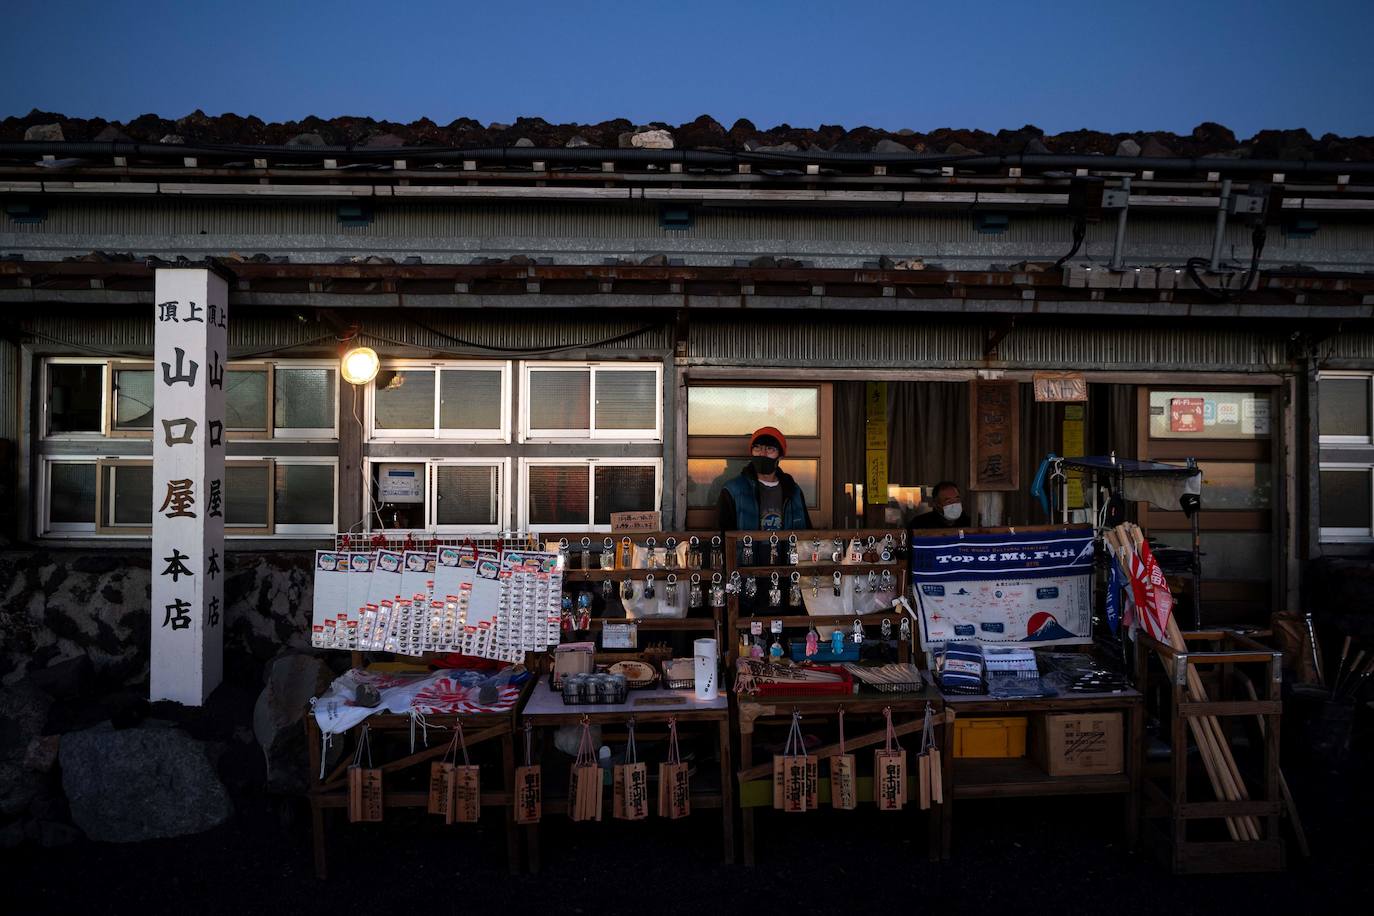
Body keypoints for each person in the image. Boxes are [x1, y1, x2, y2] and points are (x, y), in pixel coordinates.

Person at [717, 426, 812, 531]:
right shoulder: (733, 491)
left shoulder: (793, 491)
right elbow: (724, 537)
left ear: (780, 456)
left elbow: (806, 535)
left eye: (769, 449)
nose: (762, 453)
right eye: (757, 448)